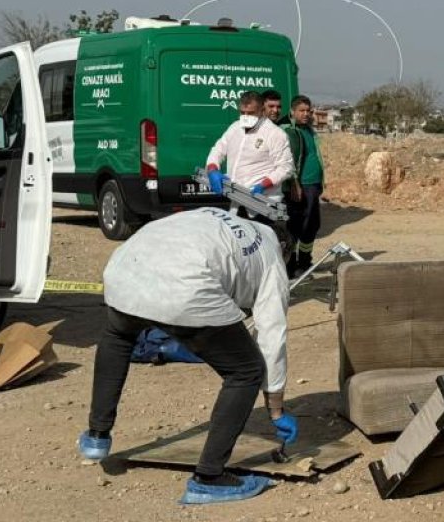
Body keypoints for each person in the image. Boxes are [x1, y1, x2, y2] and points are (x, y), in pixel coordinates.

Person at [78, 208, 294, 505]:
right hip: (186, 283)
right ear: (284, 248)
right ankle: (209, 478)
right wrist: (276, 408)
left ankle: (96, 436)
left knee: (118, 335)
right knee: (245, 370)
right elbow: (272, 333)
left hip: (125, 264)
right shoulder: (272, 254)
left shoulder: (222, 218)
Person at [205, 91, 294, 225]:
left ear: (262, 111)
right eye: (242, 112)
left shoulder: (275, 134)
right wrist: (212, 169)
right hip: (237, 200)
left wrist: (264, 184)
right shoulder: (235, 128)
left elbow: (286, 167)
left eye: (251, 113)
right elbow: (218, 149)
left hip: (264, 205)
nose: (245, 117)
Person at [281, 95, 325, 276]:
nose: (306, 114)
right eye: (302, 111)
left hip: (313, 185)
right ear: (292, 111)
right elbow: (287, 160)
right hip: (301, 186)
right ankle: (290, 266)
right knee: (296, 226)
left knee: (312, 224)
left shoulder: (309, 130)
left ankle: (305, 262)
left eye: (308, 110)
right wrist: (294, 183)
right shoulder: (289, 132)